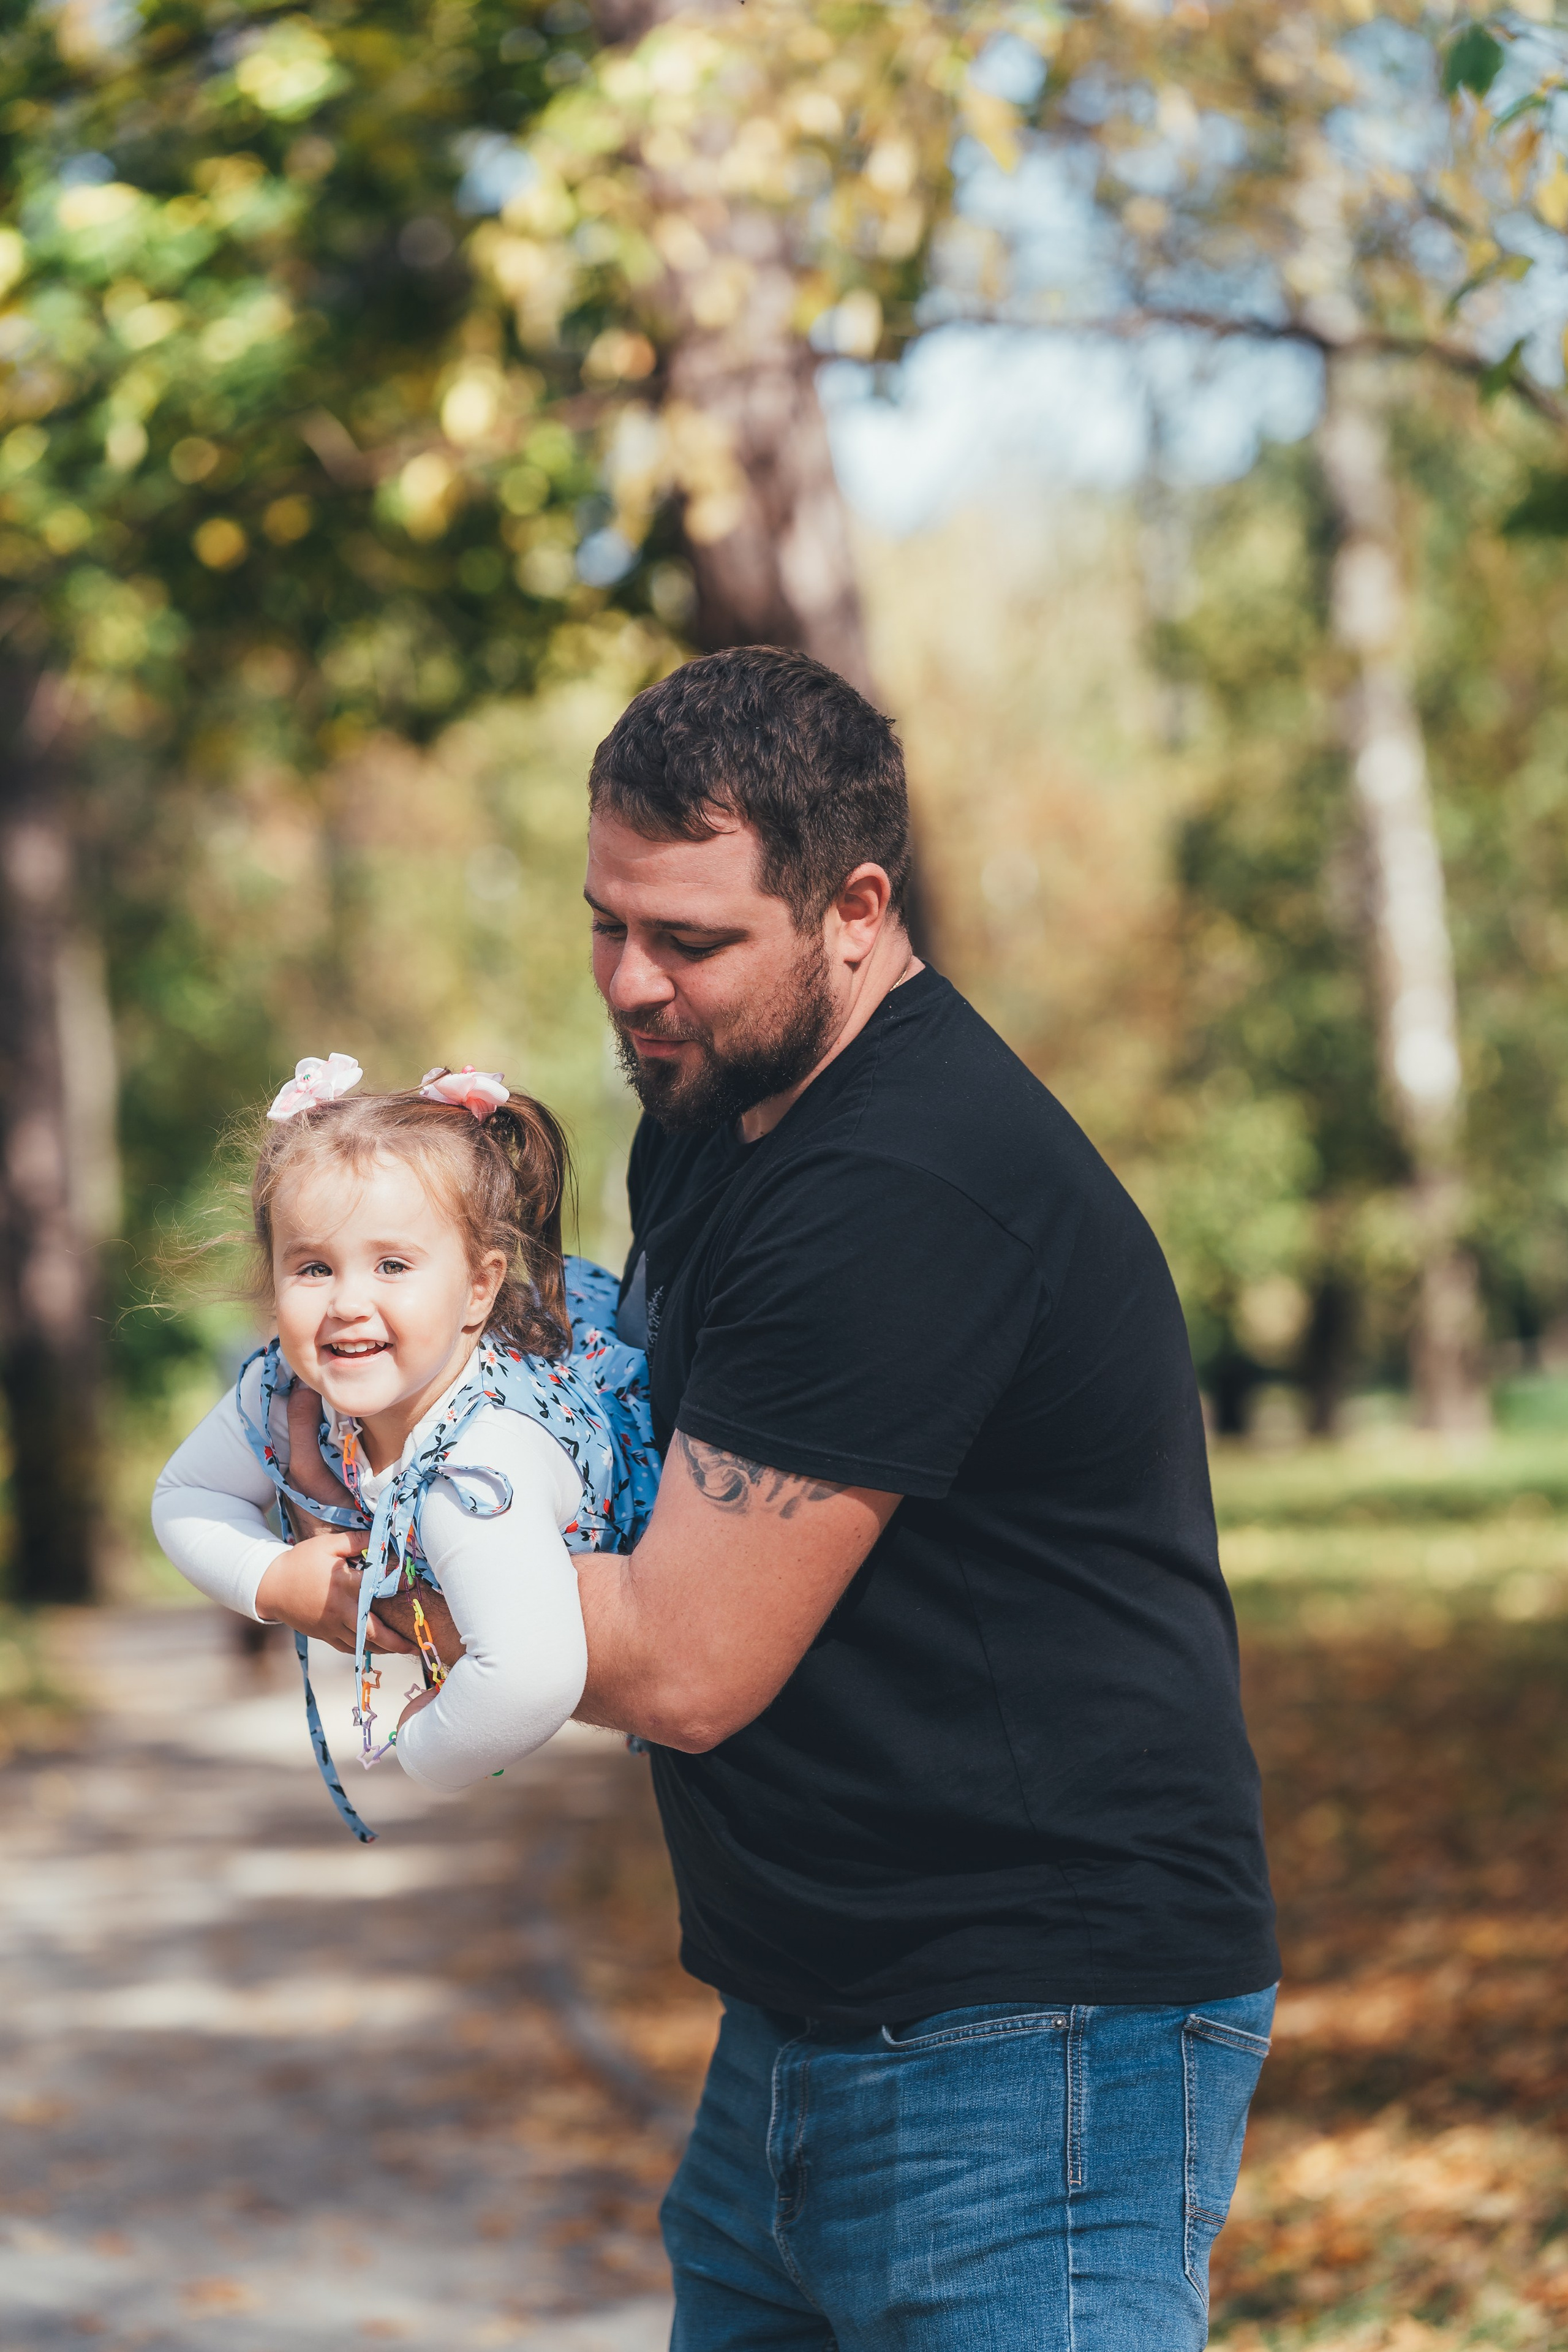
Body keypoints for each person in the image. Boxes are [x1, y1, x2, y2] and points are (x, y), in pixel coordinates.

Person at [569, 646, 1281, 2350]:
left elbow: (679, 1658)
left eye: (691, 939)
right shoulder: (706, 1115)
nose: (631, 985)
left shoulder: (902, 1183)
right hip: (798, 2023)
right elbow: (618, 1490)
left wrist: (337, 1573)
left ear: (856, 908)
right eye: (606, 920)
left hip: (1041, 2042)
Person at [151, 1058, 656, 1825]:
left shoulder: (480, 1472)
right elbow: (185, 1496)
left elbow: (531, 1679)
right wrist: (273, 1582)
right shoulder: (282, 1387)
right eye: (313, 1267)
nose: (349, 1303)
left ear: (479, 1289)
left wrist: (425, 1744)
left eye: (392, 1265)